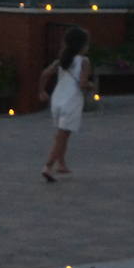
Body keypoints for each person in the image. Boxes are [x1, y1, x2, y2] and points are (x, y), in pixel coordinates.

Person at [37, 25, 94, 182]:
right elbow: (82, 83)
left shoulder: (61, 61)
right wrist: (91, 86)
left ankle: (61, 163)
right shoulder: (84, 61)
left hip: (57, 99)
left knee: (61, 134)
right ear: (81, 45)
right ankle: (49, 165)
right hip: (72, 101)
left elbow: (45, 74)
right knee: (62, 136)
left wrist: (41, 91)